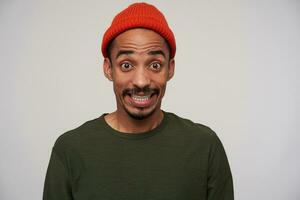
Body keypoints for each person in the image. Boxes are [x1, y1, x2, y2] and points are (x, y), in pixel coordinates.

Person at [43, 2, 234, 200]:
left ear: (170, 69)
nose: (141, 81)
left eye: (155, 65)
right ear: (109, 69)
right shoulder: (70, 150)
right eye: (126, 65)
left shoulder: (205, 146)